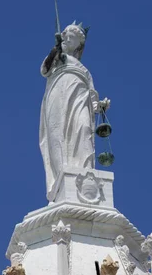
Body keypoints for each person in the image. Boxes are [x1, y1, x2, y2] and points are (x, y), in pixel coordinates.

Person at [40, 22, 110, 197]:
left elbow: (92, 96)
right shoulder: (57, 58)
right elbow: (44, 70)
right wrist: (56, 50)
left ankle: (85, 173)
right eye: (65, 35)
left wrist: (99, 106)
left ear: (79, 43)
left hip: (80, 100)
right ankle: (61, 177)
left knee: (84, 128)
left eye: (71, 37)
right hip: (58, 96)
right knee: (58, 134)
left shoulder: (85, 71)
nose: (67, 38)